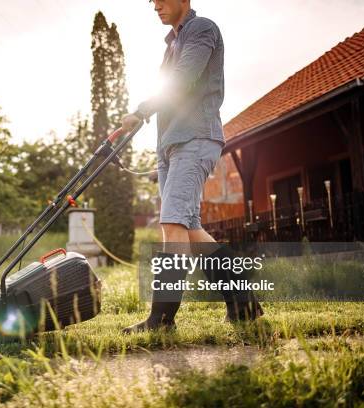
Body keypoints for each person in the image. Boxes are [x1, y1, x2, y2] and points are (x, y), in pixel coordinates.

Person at [121, 0, 262, 333]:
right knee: (190, 229)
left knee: (172, 225)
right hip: (173, 145)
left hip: (196, 138)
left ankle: (161, 320)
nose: (154, 4)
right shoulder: (171, 44)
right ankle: (245, 305)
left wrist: (141, 110)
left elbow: (182, 82)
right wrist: (160, 152)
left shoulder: (201, 29)